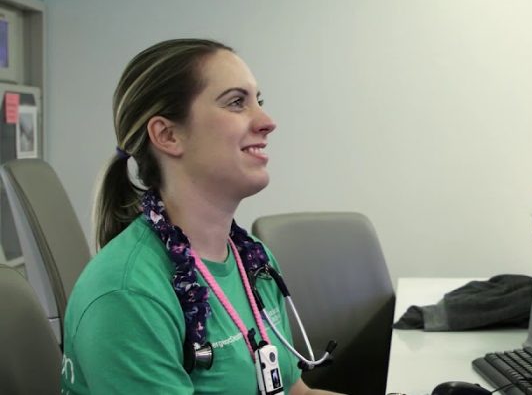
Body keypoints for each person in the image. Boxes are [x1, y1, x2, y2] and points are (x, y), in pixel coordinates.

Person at [61, 39, 339, 394]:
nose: (267, 122)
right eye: (236, 102)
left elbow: (295, 392)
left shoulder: (253, 260)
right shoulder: (127, 295)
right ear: (168, 135)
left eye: (259, 101)